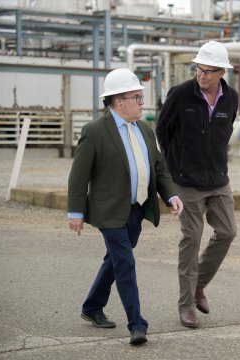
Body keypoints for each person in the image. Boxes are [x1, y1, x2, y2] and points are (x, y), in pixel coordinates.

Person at [68, 68, 183, 346]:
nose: (142, 103)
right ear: (119, 102)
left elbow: (159, 167)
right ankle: (137, 324)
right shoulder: (95, 131)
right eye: (137, 97)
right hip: (109, 211)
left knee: (115, 260)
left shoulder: (144, 128)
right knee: (125, 264)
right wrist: (75, 211)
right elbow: (78, 175)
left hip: (137, 208)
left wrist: (171, 196)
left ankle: (92, 306)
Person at [156, 41, 238, 328]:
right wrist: (174, 168)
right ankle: (186, 304)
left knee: (228, 232)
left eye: (208, 71)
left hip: (218, 180)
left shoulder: (231, 98)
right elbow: (162, 130)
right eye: (199, 69)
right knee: (191, 240)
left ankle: (199, 285)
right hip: (187, 182)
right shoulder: (180, 95)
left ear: (221, 74)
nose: (202, 75)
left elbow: (224, 133)